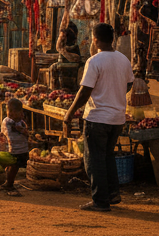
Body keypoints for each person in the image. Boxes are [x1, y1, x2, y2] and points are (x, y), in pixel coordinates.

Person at [62, 21, 133, 212]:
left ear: (95, 40)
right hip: (117, 118)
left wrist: (68, 114)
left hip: (97, 118)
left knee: (94, 160)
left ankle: (100, 201)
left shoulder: (94, 61)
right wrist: (114, 94)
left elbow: (84, 92)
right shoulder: (123, 60)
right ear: (113, 39)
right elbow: (129, 84)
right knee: (107, 157)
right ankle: (112, 193)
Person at [0, 96, 30, 195]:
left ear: (21, 112)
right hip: (12, 149)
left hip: (22, 149)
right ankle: (9, 184)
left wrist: (23, 126)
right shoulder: (7, 121)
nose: (12, 113)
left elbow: (26, 132)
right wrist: (21, 127)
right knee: (13, 166)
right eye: (10, 110)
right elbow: (12, 129)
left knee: (14, 167)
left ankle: (9, 182)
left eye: (16, 111)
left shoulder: (21, 122)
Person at [57, 21, 82, 92]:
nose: (60, 39)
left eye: (63, 37)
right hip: (62, 87)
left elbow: (76, 59)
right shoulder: (63, 49)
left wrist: (61, 50)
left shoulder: (73, 48)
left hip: (73, 85)